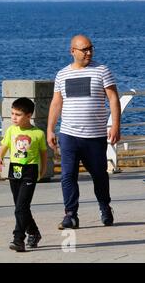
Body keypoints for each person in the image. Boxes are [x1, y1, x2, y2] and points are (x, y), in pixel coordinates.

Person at [47, 35, 121, 229]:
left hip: (95, 135)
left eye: (91, 48)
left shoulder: (102, 70)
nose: (89, 52)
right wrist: (50, 129)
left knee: (99, 175)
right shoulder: (62, 74)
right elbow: (56, 103)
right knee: (68, 175)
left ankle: (105, 207)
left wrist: (115, 126)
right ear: (72, 51)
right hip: (68, 134)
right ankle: (70, 214)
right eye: (84, 49)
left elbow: (113, 98)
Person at [0, 97, 47, 252]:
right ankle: (34, 232)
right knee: (21, 206)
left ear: (29, 115)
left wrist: (42, 170)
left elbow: (43, 154)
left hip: (30, 171)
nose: (13, 117)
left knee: (21, 207)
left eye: (18, 114)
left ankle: (18, 239)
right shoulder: (11, 130)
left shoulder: (38, 133)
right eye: (12, 114)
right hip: (15, 170)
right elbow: (4, 148)